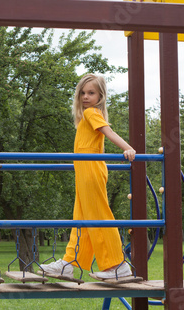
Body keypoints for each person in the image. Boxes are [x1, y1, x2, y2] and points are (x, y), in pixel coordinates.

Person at [39, 73, 136, 280]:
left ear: (100, 95)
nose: (85, 97)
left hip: (91, 171)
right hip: (84, 171)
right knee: (81, 217)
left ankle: (118, 265)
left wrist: (128, 148)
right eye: (82, 93)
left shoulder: (92, 113)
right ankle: (70, 262)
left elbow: (108, 132)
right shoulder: (86, 115)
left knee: (99, 214)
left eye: (91, 93)